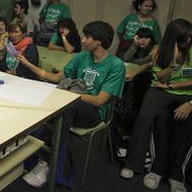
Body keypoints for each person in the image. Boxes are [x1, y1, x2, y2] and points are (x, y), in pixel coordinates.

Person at [19, 21, 125, 187]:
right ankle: (40, 155)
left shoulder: (116, 65)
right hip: (73, 104)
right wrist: (28, 65)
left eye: (87, 37)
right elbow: (56, 78)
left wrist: (69, 96)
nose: (83, 40)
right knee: (55, 102)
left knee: (66, 107)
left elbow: (100, 100)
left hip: (95, 114)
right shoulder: (82, 57)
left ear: (100, 41)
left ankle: (47, 162)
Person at [120, 19, 192, 192]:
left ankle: (177, 174)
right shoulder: (160, 51)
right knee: (144, 118)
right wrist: (173, 63)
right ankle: (132, 163)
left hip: (186, 92)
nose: (189, 40)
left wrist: (181, 94)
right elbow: (162, 78)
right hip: (161, 89)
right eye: (186, 37)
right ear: (176, 38)